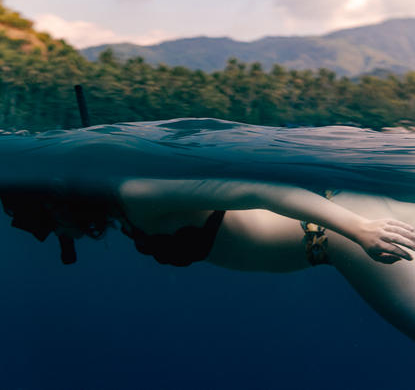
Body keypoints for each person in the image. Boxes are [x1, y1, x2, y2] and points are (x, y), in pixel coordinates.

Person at [2, 118, 415, 340]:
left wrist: (359, 229)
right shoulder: (116, 199)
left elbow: (253, 189)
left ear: (57, 202)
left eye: (46, 222)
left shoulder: (135, 191)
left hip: (343, 232)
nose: (54, 233)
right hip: (341, 226)